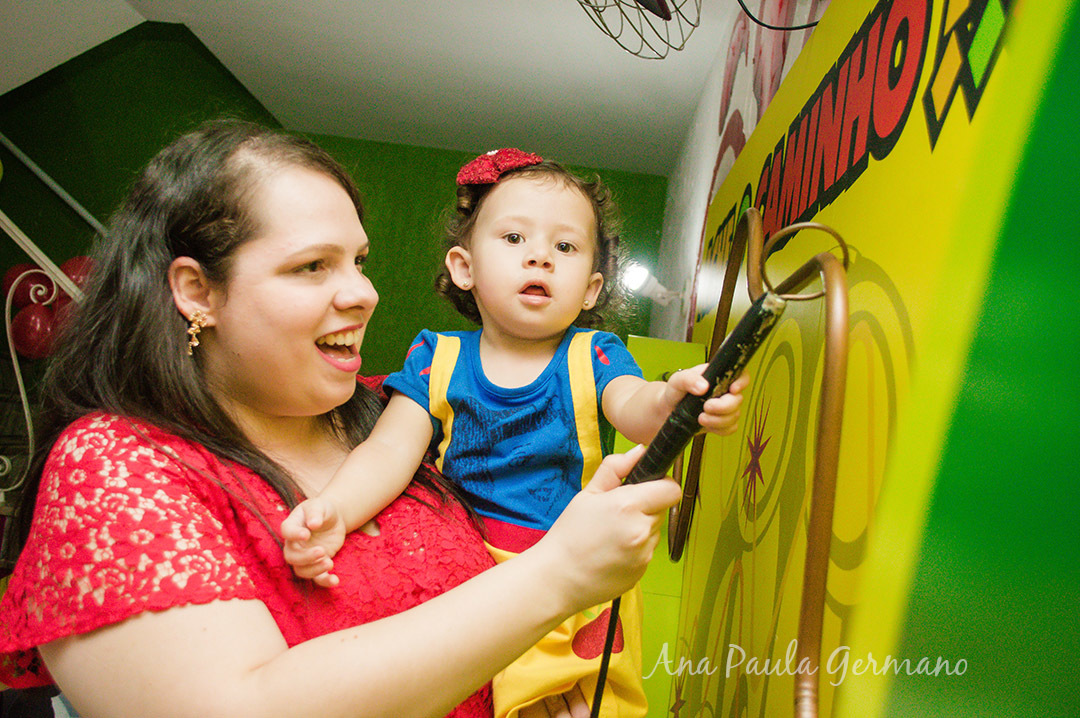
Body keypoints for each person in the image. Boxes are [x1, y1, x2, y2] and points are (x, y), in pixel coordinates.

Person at [0, 120, 685, 718]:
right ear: (197, 290)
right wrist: (555, 577)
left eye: (358, 262)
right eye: (311, 266)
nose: (363, 293)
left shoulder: (384, 410)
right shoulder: (116, 466)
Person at [280, 148, 748, 718]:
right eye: (514, 238)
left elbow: (635, 406)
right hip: (462, 574)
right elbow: (389, 449)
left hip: (570, 569)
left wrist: (674, 400)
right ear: (464, 268)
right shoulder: (436, 358)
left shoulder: (593, 355)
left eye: (565, 247)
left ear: (591, 289)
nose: (540, 257)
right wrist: (335, 510)